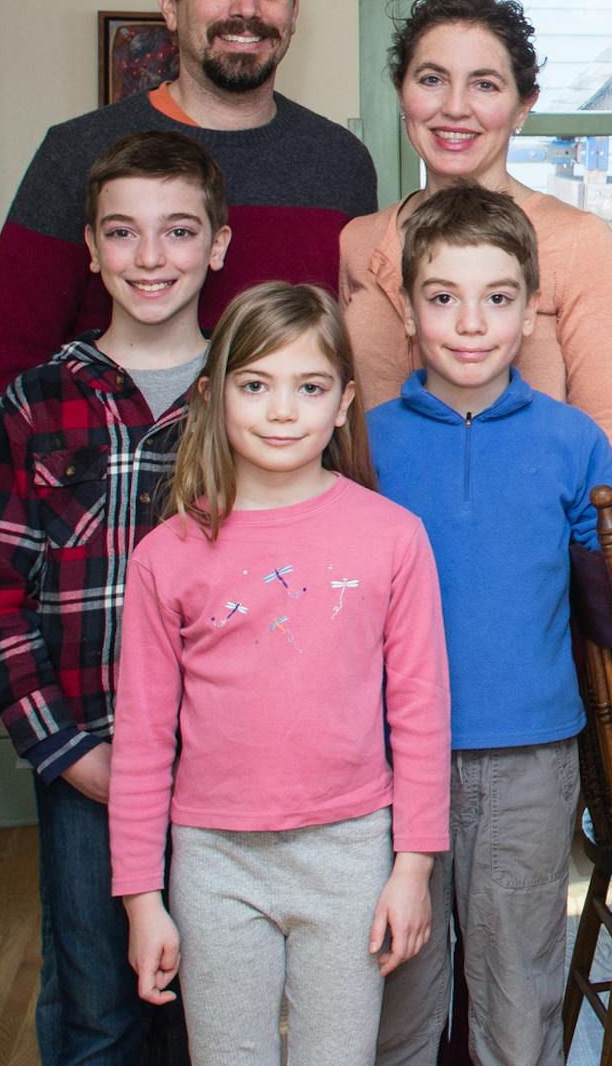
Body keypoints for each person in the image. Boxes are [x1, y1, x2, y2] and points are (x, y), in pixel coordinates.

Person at [365, 186, 612, 1066]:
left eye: (496, 298)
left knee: (517, 991)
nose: (469, 322)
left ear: (530, 310)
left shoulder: (570, 441)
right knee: (395, 1000)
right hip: (383, 761)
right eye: (442, 297)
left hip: (529, 758)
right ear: (408, 309)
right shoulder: (361, 441)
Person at [108, 283, 450, 1066]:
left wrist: (414, 865)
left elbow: (422, 710)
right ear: (214, 397)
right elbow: (142, 737)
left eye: (310, 387)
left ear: (344, 403)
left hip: (353, 851)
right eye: (256, 385)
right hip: (213, 860)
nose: (282, 410)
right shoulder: (167, 555)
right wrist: (141, 899)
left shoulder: (393, 538)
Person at [0, 130, 229, 1066]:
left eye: (178, 232)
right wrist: (72, 757)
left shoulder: (251, 403)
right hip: (88, 759)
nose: (151, 258)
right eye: (123, 233)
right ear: (90, 248)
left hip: (224, 769)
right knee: (97, 1007)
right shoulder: (36, 403)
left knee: (208, 1010)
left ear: (219, 244)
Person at [0, 0, 379, 470]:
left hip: (280, 509)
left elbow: (347, 354)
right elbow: (9, 361)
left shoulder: (340, 162)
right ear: (170, 3)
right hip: (106, 502)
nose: (246, 8)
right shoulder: (77, 152)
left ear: (293, 8)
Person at [338, 0, 612, 539]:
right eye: (432, 79)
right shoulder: (358, 242)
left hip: (528, 563)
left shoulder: (578, 241)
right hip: (377, 557)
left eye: (484, 84)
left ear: (522, 105)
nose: (454, 108)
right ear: (401, 91)